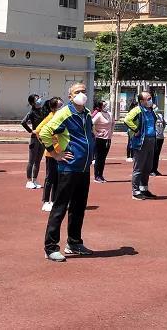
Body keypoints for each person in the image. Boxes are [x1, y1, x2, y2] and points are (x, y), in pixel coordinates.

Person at [39, 82, 96, 262]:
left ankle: (74, 242)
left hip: (83, 168)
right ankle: (50, 247)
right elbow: (45, 132)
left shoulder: (86, 114)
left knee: (79, 207)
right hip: (69, 168)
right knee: (60, 207)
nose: (82, 94)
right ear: (70, 96)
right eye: (77, 92)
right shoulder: (65, 113)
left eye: (84, 91)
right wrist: (55, 153)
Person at [124, 90, 158, 199]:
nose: (150, 100)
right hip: (141, 142)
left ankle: (144, 189)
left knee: (148, 167)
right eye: (148, 99)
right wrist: (136, 129)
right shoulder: (137, 110)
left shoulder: (151, 110)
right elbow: (127, 119)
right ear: (141, 101)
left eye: (150, 98)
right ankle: (135, 191)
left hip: (151, 140)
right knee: (139, 167)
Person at [36, 97, 64, 211]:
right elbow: (38, 131)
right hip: (52, 154)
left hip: (61, 152)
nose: (62, 108)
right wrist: (47, 143)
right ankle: (46, 201)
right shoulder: (50, 118)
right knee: (50, 178)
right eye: (59, 106)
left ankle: (54, 200)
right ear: (53, 108)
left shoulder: (61, 118)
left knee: (58, 178)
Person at [21, 94, 47, 189]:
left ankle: (35, 180)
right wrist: (30, 131)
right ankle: (28, 181)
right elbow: (23, 122)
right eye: (37, 99)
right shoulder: (31, 112)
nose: (39, 100)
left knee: (38, 161)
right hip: (34, 139)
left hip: (42, 138)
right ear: (32, 102)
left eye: (39, 98)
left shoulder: (43, 111)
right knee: (31, 161)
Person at [91, 100, 113, 183]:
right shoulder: (99, 115)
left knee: (103, 158)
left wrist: (110, 134)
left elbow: (112, 124)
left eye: (106, 105)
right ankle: (97, 176)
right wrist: (96, 132)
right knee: (99, 158)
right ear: (100, 107)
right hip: (99, 139)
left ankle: (101, 175)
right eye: (104, 105)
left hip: (108, 139)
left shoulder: (110, 114)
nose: (106, 106)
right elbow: (91, 123)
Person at [152, 102, 166, 176]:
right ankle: (151, 170)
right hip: (154, 137)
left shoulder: (160, 116)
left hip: (160, 137)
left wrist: (161, 131)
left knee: (157, 154)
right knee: (153, 154)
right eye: (154, 108)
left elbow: (164, 123)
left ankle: (155, 169)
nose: (156, 109)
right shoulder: (151, 116)